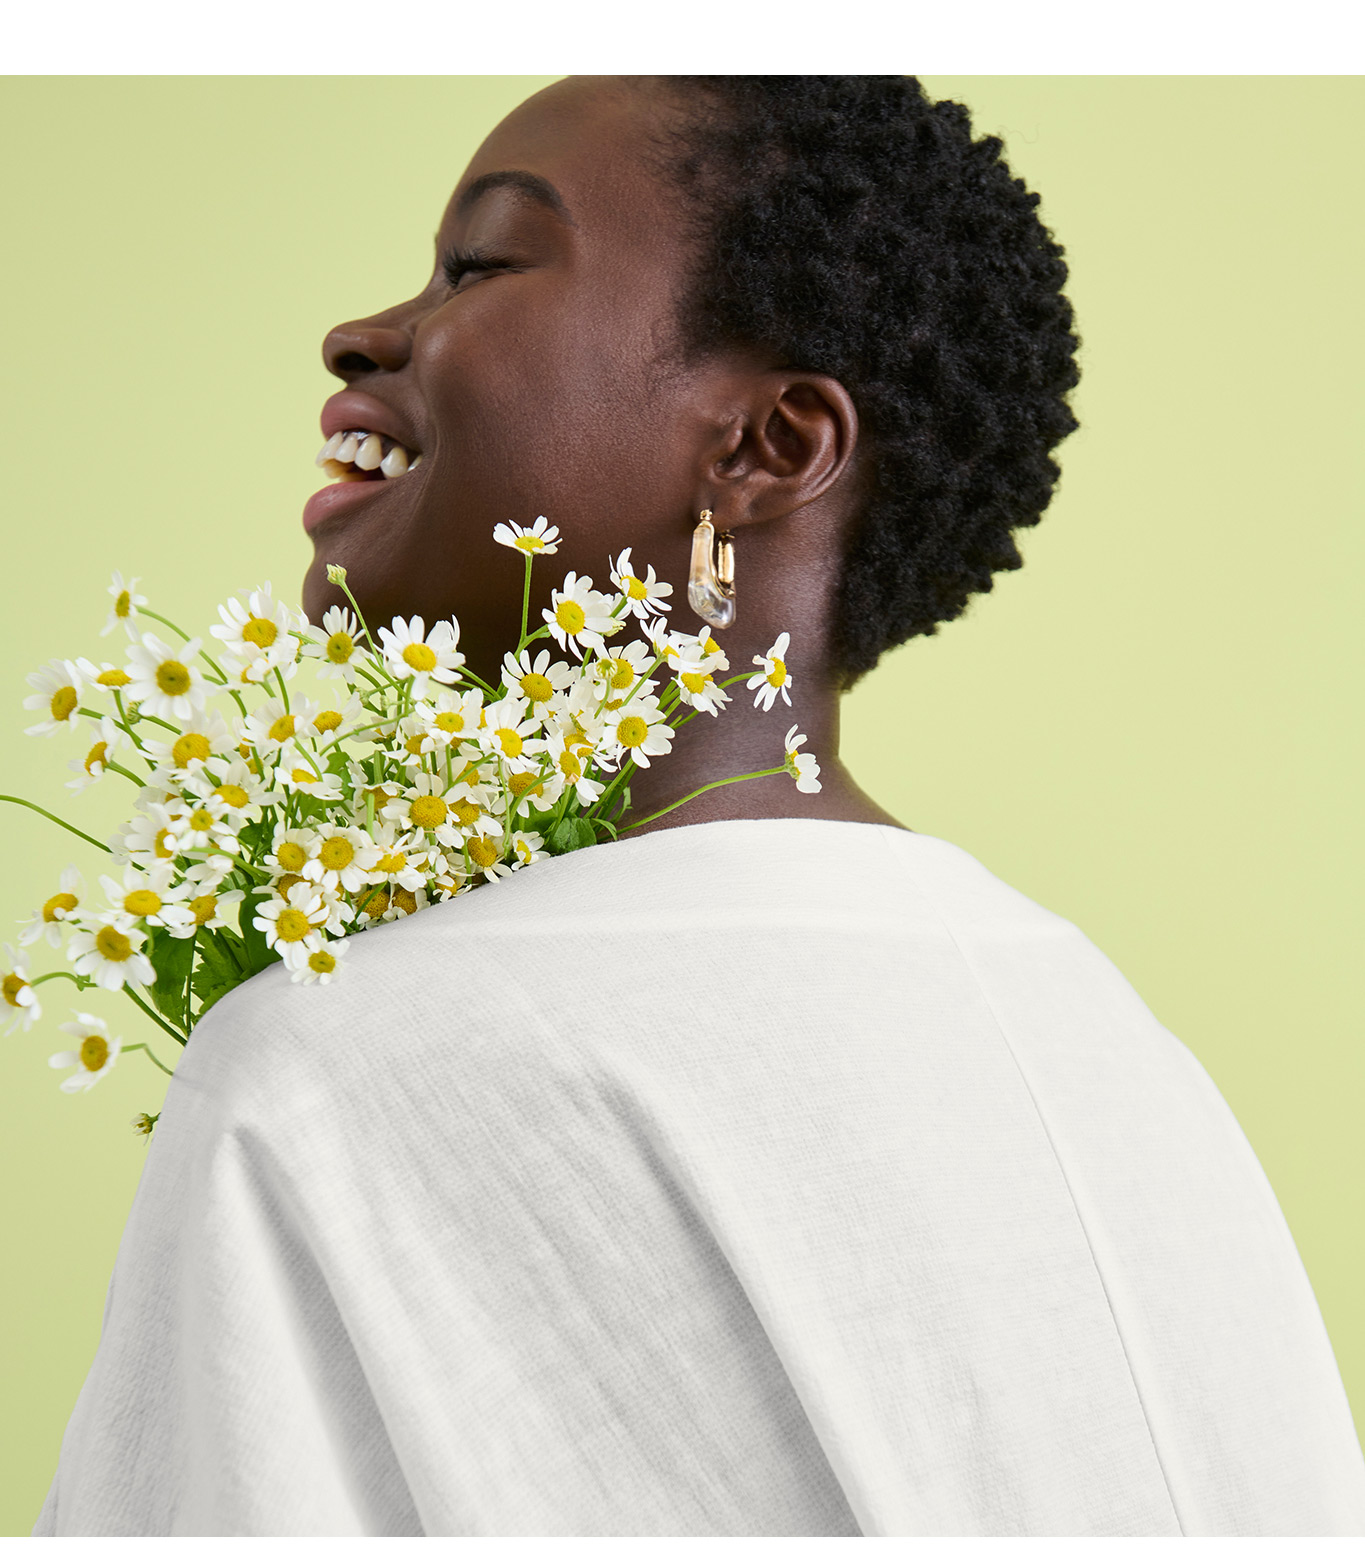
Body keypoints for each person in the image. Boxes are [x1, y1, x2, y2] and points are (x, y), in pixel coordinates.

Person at [33, 75, 1365, 1535]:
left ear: (766, 447)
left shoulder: (332, 1066)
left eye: (479, 265)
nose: (362, 333)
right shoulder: (1123, 1051)